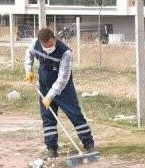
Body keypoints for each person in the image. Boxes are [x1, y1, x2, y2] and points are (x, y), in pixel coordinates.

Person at [24, 27, 95, 158]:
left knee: (75, 115)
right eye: (46, 46)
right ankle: (51, 148)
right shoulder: (35, 43)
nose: (48, 47)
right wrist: (28, 70)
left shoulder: (66, 53)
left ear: (54, 39)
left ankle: (89, 145)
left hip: (64, 89)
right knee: (48, 118)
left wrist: (50, 95)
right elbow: (29, 54)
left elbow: (63, 78)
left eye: (51, 44)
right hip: (44, 85)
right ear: (40, 42)